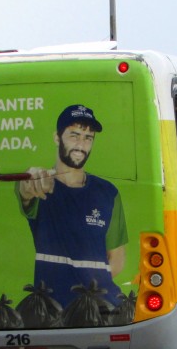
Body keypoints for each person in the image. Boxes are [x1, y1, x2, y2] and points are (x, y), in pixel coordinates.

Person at [16, 104, 128, 309]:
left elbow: (117, 261)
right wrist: (29, 182)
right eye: (74, 135)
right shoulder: (42, 185)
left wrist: (87, 293)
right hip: (49, 311)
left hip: (99, 308)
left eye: (88, 138)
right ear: (57, 138)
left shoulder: (108, 193)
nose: (81, 145)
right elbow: (26, 191)